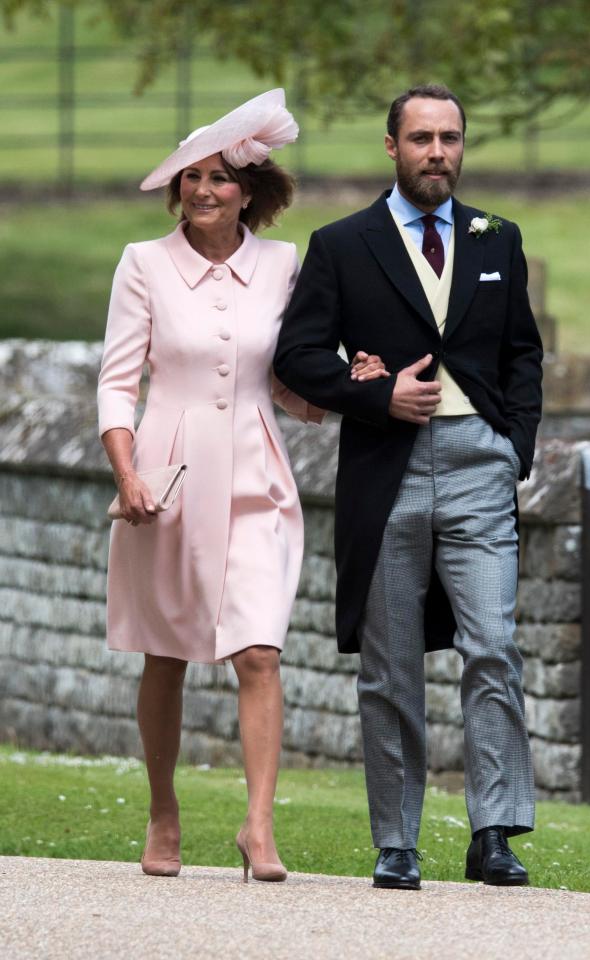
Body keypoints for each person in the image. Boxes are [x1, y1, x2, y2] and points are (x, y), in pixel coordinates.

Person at [97, 89, 385, 882]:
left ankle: (258, 828)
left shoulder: (282, 267)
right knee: (166, 653)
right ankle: (163, 813)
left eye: (219, 178)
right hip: (168, 474)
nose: (202, 191)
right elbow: (118, 383)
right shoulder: (142, 264)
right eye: (190, 178)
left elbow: (290, 381)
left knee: (258, 649)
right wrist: (128, 475)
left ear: (249, 191)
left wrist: (348, 382)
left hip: (258, 474)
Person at [274, 84, 543, 890]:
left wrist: (512, 446)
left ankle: (494, 831)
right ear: (390, 146)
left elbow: (522, 354)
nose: (437, 152)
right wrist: (375, 394)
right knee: (390, 665)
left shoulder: (498, 237)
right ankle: (397, 841)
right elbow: (297, 356)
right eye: (421, 137)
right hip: (385, 469)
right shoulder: (342, 243)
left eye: (450, 138)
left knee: (492, 646)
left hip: (478, 465)